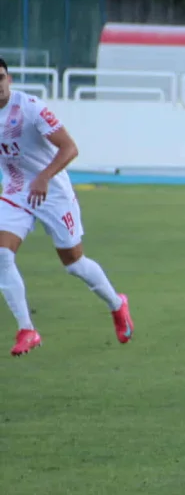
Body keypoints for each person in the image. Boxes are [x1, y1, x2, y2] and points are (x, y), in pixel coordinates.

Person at [0, 57, 133, 356]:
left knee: (74, 264)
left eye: (1, 77)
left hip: (53, 192)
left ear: (9, 79)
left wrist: (44, 177)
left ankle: (117, 304)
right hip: (15, 191)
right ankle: (27, 329)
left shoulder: (29, 107)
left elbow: (70, 147)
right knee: (2, 254)